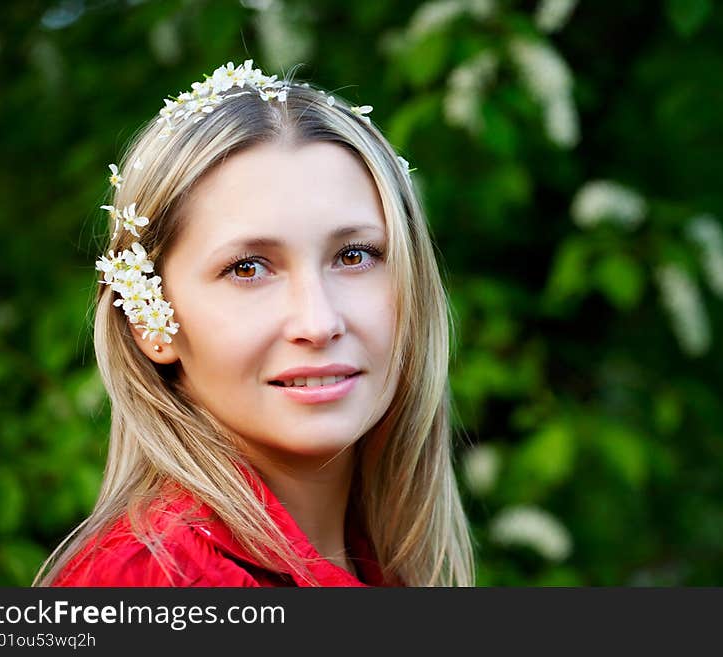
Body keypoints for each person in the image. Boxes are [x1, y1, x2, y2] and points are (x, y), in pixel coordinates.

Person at [33, 60, 475, 587]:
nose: (318, 321)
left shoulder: (373, 562)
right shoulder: (158, 580)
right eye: (247, 268)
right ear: (151, 320)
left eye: (354, 256)